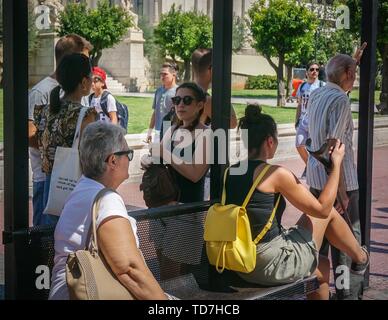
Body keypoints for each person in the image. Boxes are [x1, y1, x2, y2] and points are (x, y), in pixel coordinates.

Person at [223, 104, 369, 300]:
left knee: (322, 265)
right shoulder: (275, 174)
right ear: (269, 141)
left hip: (238, 258)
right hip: (265, 262)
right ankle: (360, 258)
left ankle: (358, 259)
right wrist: (336, 164)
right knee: (329, 214)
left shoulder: (230, 171)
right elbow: (322, 210)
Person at [49, 122, 168, 300]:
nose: (130, 159)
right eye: (128, 154)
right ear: (113, 160)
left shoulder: (82, 188)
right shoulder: (106, 200)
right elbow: (129, 270)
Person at [307, 53, 365, 300]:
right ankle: (347, 295)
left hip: (316, 183)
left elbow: (339, 84)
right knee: (346, 247)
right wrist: (341, 194)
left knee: (320, 247)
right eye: (354, 75)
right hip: (341, 184)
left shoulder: (318, 93)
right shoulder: (340, 99)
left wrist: (351, 62)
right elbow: (334, 149)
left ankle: (321, 293)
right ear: (349, 75)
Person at [28, 34, 93, 226]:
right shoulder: (41, 92)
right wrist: (59, 154)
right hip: (50, 178)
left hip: (66, 178)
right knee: (47, 238)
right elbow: (30, 134)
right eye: (84, 59)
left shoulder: (73, 95)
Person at [191, 48, 237, 129]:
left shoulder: (184, 92)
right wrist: (223, 87)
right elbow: (232, 123)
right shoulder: (205, 100)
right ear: (212, 69)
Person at [294, 62, 325, 178]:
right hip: (303, 121)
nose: (315, 72)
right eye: (312, 69)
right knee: (299, 144)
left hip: (316, 122)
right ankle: (309, 166)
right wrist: (296, 120)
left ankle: (317, 171)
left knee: (314, 148)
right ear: (307, 72)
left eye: (317, 70)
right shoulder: (302, 86)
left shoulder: (322, 86)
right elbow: (299, 104)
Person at [146, 63, 178, 143]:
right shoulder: (158, 91)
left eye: (165, 74)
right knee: (157, 155)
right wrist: (149, 132)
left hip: (171, 133)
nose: (162, 77)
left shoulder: (178, 92)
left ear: (173, 74)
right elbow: (155, 112)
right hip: (157, 131)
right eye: (161, 74)